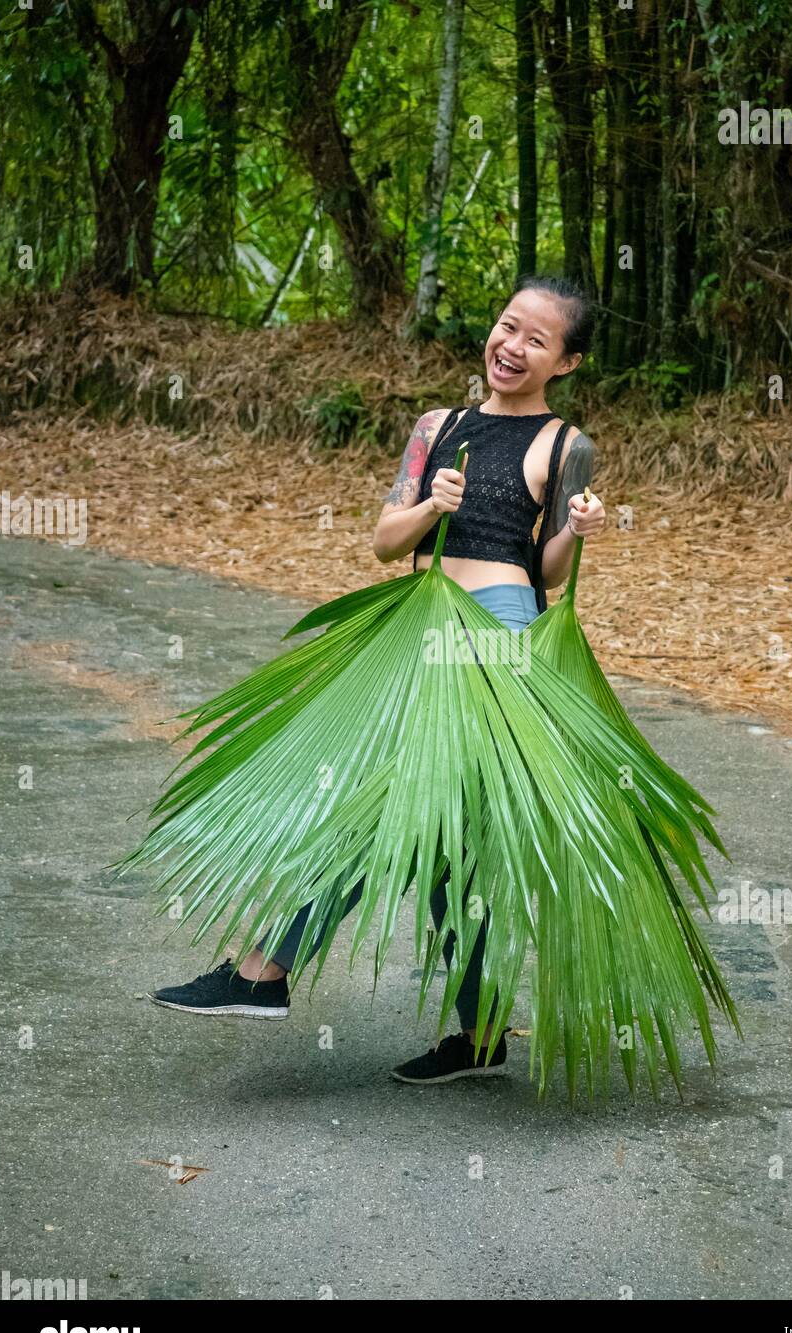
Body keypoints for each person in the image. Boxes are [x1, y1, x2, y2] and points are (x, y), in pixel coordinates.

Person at [150, 274, 607, 1084]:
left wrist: (576, 528)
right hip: (417, 624)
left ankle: (263, 971)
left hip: (497, 639)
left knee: (392, 811)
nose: (513, 346)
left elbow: (549, 574)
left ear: (565, 362)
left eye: (537, 340)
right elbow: (384, 544)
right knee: (438, 851)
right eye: (508, 326)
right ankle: (485, 1029)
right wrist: (433, 505)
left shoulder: (568, 446)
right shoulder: (439, 426)